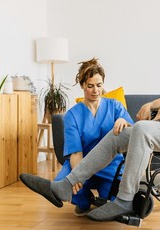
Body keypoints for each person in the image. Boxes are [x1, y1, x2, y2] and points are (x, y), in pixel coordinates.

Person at [20, 33, 160, 221]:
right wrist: (151, 104)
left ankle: (124, 199)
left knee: (142, 129)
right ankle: (65, 185)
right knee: (119, 133)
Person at [53, 58, 134, 216]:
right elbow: (75, 153)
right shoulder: (72, 115)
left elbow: (133, 131)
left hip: (109, 166)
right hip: (82, 163)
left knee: (112, 199)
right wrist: (78, 177)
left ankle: (104, 195)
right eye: (90, 86)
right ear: (82, 85)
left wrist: (123, 120)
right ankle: (84, 201)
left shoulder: (115, 106)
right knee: (62, 184)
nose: (96, 90)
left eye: (99, 85)